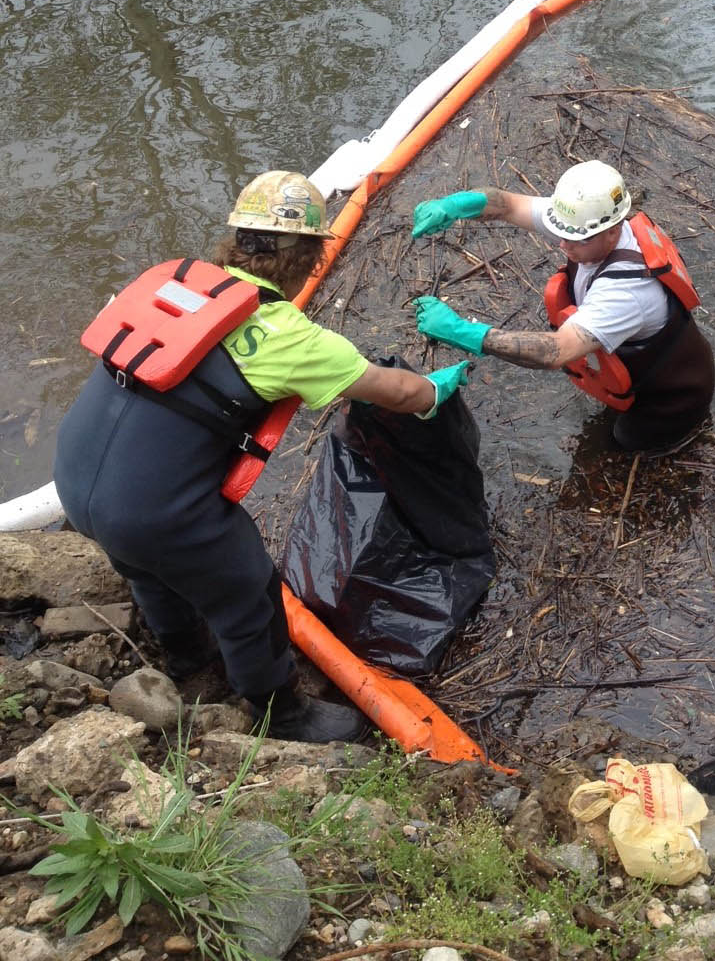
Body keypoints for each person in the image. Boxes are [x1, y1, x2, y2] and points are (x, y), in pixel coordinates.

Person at [54, 171, 472, 743]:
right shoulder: (287, 337)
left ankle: (187, 663)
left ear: (233, 240)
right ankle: (282, 714)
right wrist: (434, 391)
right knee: (248, 593)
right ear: (310, 255)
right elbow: (397, 392)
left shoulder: (172, 284)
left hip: (74, 482)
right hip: (153, 511)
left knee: (145, 566)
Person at [410, 160, 715, 454]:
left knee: (625, 440)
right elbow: (508, 204)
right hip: (640, 360)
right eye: (563, 233)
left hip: (673, 394)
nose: (563, 245)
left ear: (613, 230)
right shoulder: (583, 224)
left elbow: (555, 352)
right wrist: (457, 205)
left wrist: (465, 333)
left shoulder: (627, 292)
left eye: (575, 240)